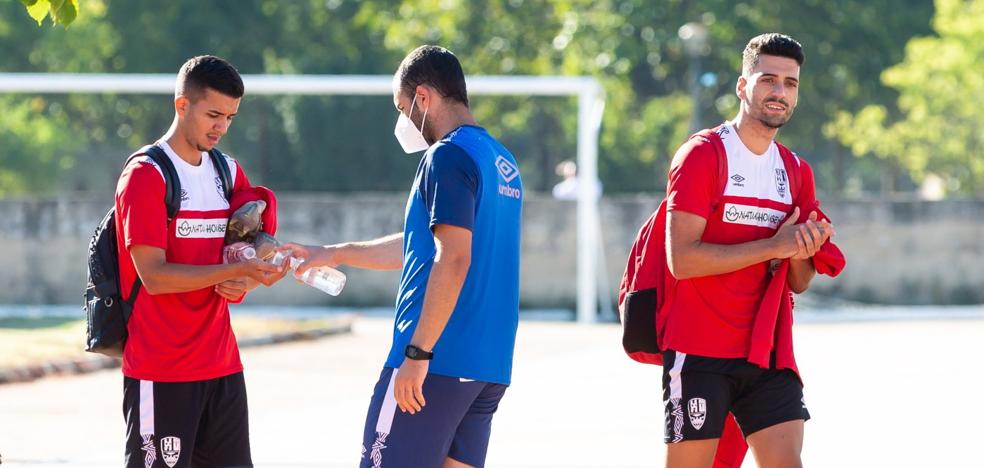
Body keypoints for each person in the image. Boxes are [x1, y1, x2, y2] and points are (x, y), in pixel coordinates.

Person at [283, 45, 523, 468]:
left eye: (403, 106)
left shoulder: (447, 155)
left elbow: (452, 259)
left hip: (436, 361)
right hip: (488, 366)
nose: (404, 120)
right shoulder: (500, 160)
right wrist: (336, 253)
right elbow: (424, 245)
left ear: (423, 97)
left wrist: (418, 354)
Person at [661, 34, 843, 468]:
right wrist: (774, 244)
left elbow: (798, 280)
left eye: (791, 83)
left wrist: (802, 248)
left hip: (767, 355)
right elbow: (681, 260)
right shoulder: (703, 155)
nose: (780, 92)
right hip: (700, 349)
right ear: (743, 87)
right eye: (768, 80)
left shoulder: (796, 170)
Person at [115, 55, 285, 468]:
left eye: (230, 117)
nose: (221, 127)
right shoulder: (146, 175)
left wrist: (260, 267)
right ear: (182, 105)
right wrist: (235, 272)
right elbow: (154, 276)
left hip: (223, 367)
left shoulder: (228, 172)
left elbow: (245, 246)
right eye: (213, 114)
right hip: (162, 369)